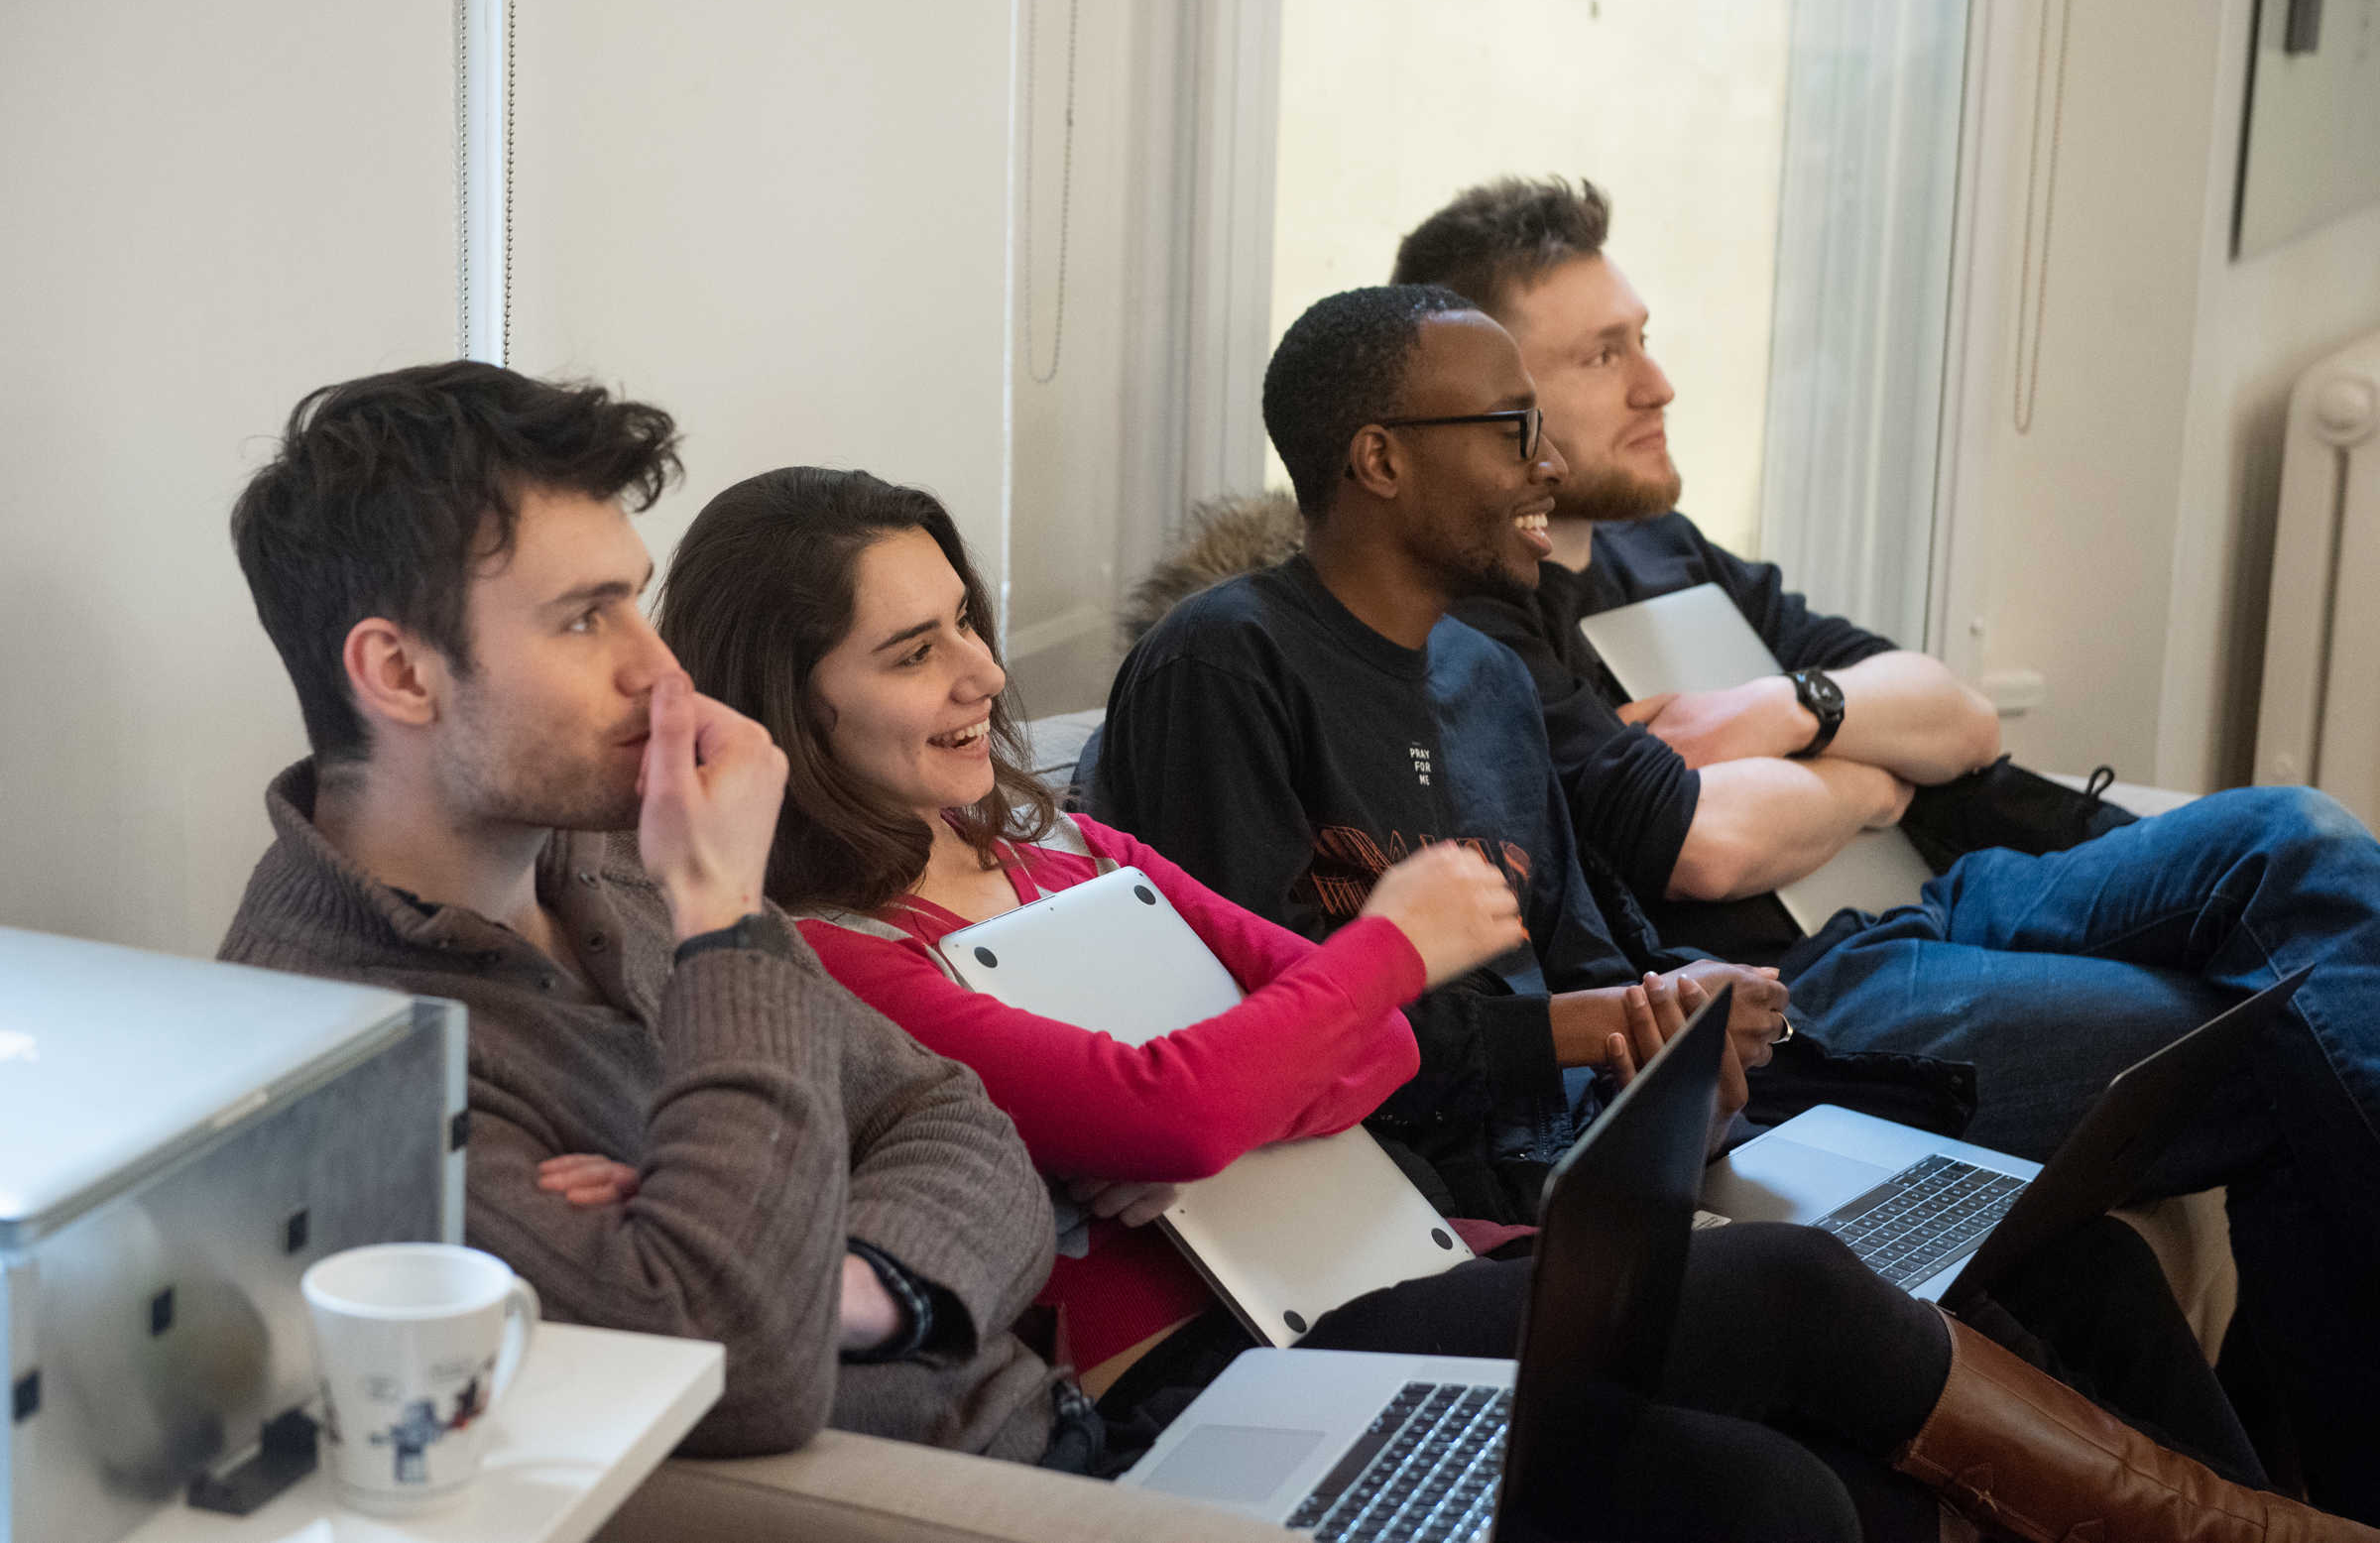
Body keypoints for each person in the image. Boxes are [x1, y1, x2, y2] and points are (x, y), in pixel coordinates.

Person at [618, 460, 2367, 1543]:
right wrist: (1338, 988)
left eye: (968, 622)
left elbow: (1343, 1050)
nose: (982, 672)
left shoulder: (1068, 843)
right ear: (793, 693)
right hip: (1202, 1363)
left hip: (1364, 1254)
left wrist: (1268, 1048)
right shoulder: (845, 955)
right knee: (1791, 1301)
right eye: (910, 650)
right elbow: (1208, 1092)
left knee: (1800, 1484)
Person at [1392, 177, 2380, 1516]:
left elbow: (1956, 714)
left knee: (2289, 837)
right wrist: (1862, 764)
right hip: (1812, 1003)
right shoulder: (1480, 622)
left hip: (1927, 904)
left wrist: (1789, 714)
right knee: (2285, 1026)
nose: (1658, 380)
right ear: (1497, 407)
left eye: (1643, 334)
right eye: (1603, 354)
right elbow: (1710, 848)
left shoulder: (1656, 547)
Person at [215, 361, 1063, 1462]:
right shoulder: (335, 1063)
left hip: (1069, 1427)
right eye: (585, 620)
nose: (660, 672)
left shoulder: (611, 857)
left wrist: (852, 1282)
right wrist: (725, 920)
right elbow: (738, 1365)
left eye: (635, 599)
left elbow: (953, 1122)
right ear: (400, 674)